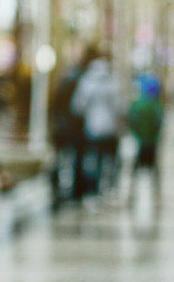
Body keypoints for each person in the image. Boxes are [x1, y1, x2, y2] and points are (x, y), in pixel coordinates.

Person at [49, 44, 96, 205]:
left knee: (64, 158)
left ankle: (62, 188)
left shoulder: (72, 74)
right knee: (73, 157)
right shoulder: (82, 76)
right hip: (73, 124)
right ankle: (72, 189)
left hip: (66, 122)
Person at [71, 54, 121, 198]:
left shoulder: (86, 82)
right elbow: (119, 107)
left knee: (93, 160)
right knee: (109, 160)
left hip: (92, 129)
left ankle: (93, 189)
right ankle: (108, 188)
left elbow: (77, 106)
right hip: (109, 130)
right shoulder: (113, 83)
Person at [128, 74, 163, 204]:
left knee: (135, 168)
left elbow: (132, 121)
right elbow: (158, 123)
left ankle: (131, 194)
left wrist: (137, 135)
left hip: (140, 141)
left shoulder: (137, 104)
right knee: (153, 170)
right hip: (151, 142)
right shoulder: (155, 105)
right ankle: (157, 195)